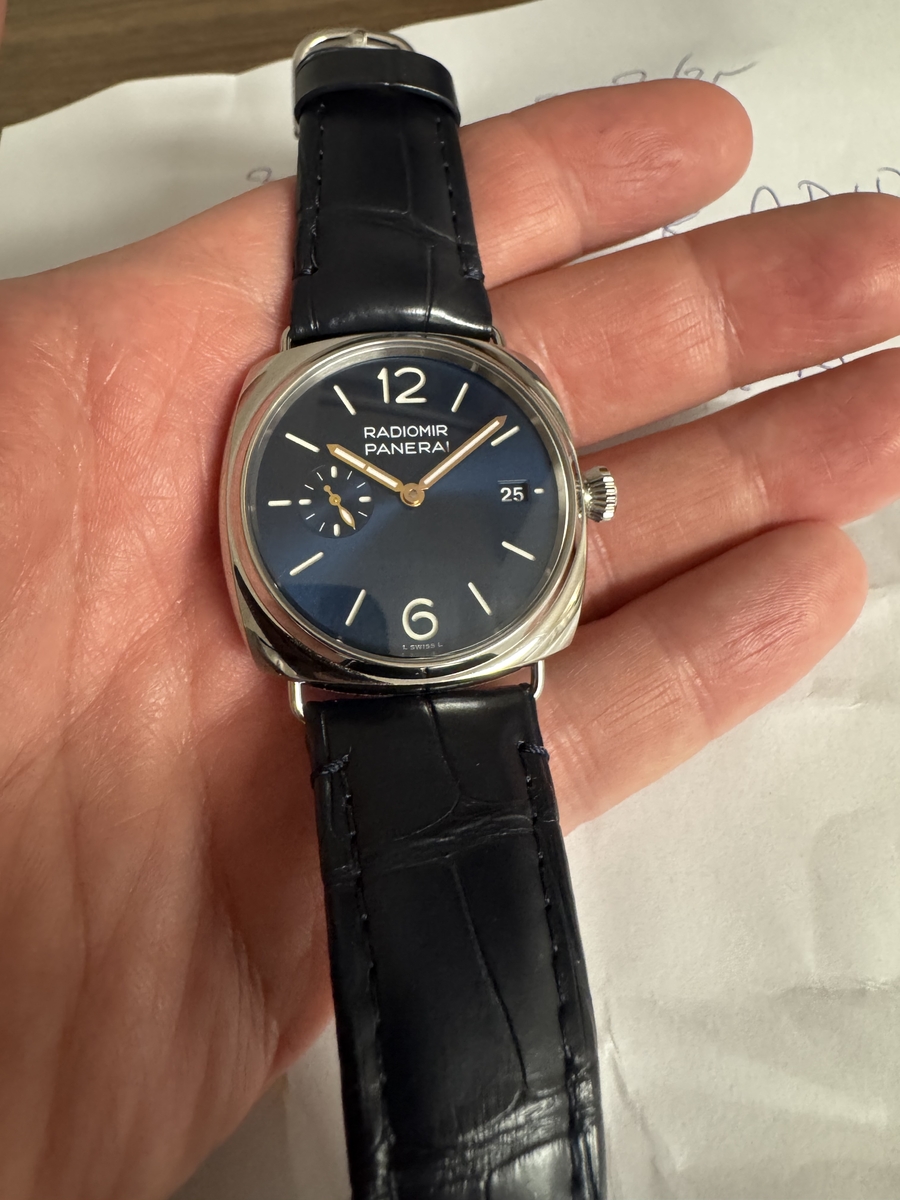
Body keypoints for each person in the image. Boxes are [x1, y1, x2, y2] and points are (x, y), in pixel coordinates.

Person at [1, 15, 900, 1198]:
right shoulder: (310, 422)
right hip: (359, 665)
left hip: (445, 655)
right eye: (395, 484)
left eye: (427, 481)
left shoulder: (467, 444)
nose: (415, 491)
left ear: (580, 498)